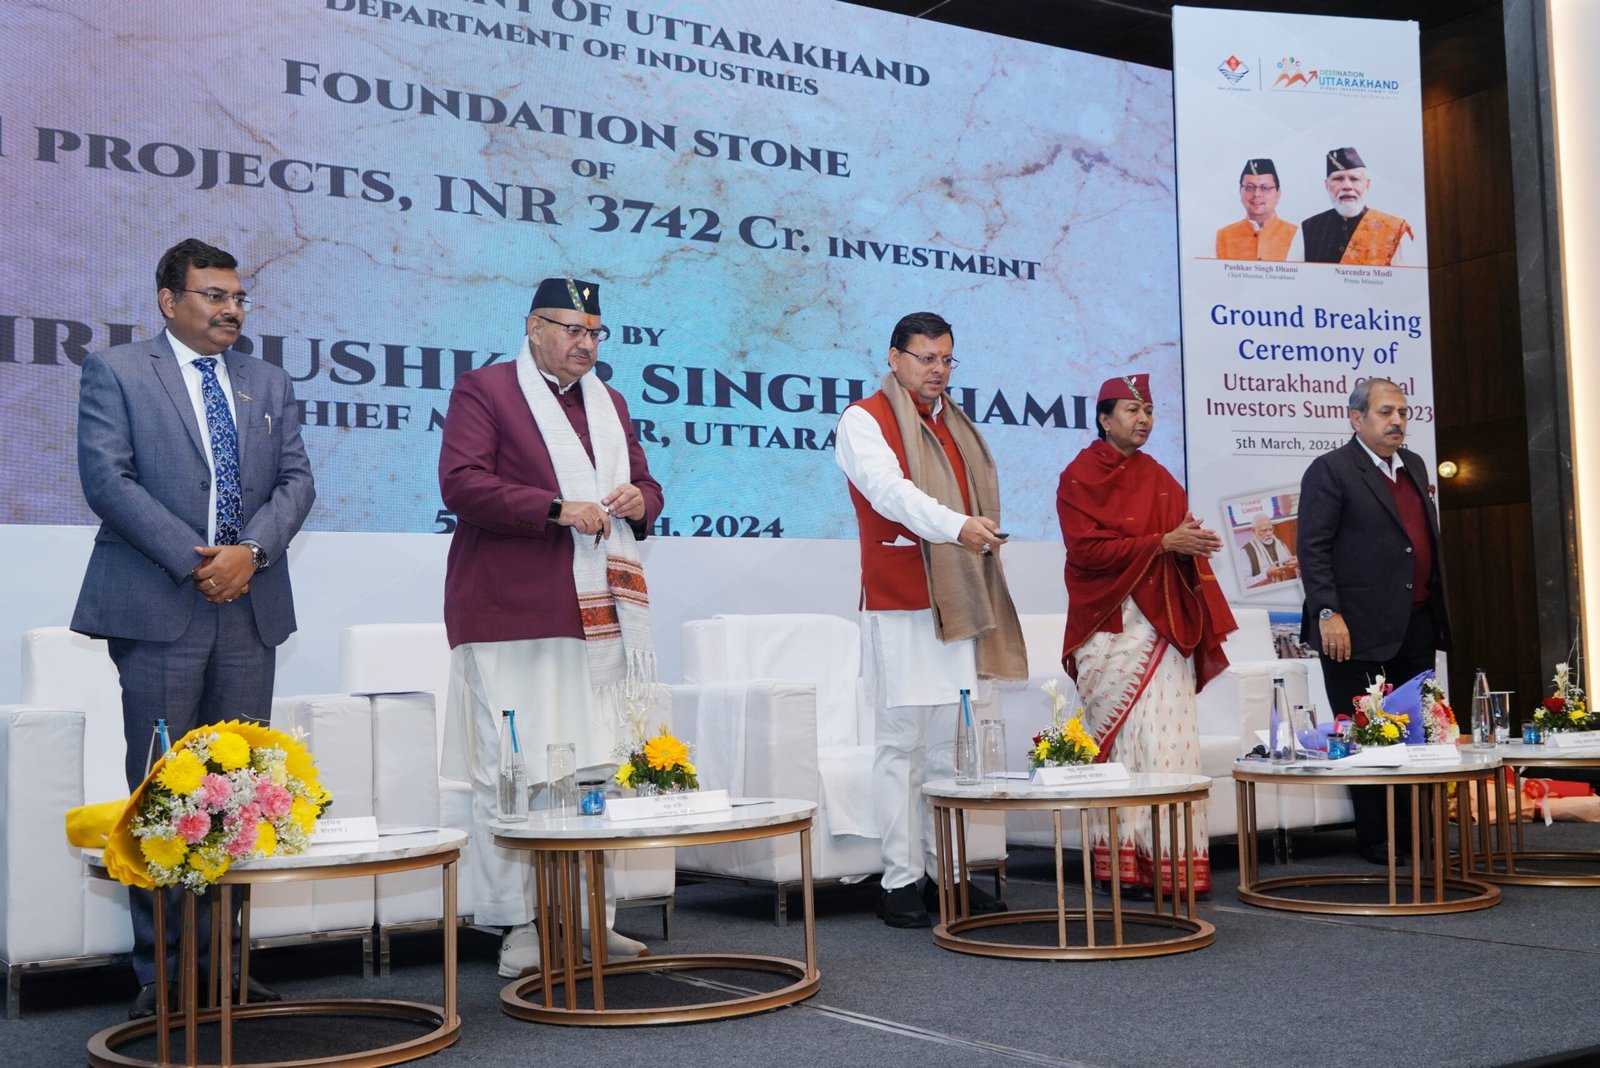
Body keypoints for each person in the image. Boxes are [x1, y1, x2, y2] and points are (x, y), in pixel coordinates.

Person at [71, 238, 315, 1019]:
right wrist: (197, 560)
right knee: (162, 792)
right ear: (169, 300)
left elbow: (297, 480)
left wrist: (250, 553)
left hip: (250, 607)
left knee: (237, 795)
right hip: (159, 606)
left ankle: (226, 969)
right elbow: (108, 480)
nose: (230, 309)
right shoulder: (117, 371)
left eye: (238, 298)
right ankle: (164, 975)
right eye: (214, 295)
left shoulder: (267, 380)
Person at [438, 276, 663, 977]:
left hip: (598, 620)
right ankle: (519, 924)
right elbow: (461, 483)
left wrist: (639, 499)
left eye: (594, 332)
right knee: (517, 774)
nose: (585, 343)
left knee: (596, 767)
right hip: (511, 611)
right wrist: (555, 508)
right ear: (533, 328)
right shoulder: (486, 390)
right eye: (571, 329)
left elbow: (649, 486)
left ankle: (592, 917)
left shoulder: (610, 403)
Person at [834, 311, 1028, 928]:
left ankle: (949, 873)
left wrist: (968, 527)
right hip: (899, 602)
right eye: (925, 358)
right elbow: (890, 493)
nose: (937, 370)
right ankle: (899, 880)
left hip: (959, 599)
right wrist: (957, 526)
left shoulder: (955, 426)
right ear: (894, 358)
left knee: (951, 749)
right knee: (900, 746)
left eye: (946, 359)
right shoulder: (864, 419)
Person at [1057, 375, 1236, 898]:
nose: (1143, 419)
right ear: (1104, 418)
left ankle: (1172, 865)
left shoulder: (1160, 477)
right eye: (1132, 410)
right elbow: (1085, 551)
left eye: (1150, 411)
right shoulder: (1079, 476)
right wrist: (1162, 542)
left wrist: (1189, 543)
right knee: (1119, 746)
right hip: (1109, 627)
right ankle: (1120, 867)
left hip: (1164, 628)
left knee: (1167, 742)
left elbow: (1176, 537)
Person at [1296, 377, 1449, 862]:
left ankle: (1416, 833)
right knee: (1366, 731)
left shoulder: (1414, 465)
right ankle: (1378, 837)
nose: (1397, 421)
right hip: (1351, 629)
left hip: (1415, 621)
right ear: (1356, 418)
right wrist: (1327, 612)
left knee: (1415, 731)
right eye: (1386, 412)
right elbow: (1313, 549)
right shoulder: (1331, 470)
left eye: (1403, 412)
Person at [1300, 147, 1416, 266]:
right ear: (1326, 185)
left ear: (1367, 184)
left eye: (1354, 179)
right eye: (1338, 179)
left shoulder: (1394, 230)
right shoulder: (1308, 229)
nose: (1347, 186)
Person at [1215, 158, 1301, 261]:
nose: (1256, 194)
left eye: (1264, 188)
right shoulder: (1222, 237)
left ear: (1278, 194)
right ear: (1240, 191)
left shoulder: (1297, 235)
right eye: (1249, 187)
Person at [1239, 513, 1298, 586]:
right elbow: (1245, 583)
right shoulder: (1246, 551)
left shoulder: (1280, 543)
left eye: (1270, 529)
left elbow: (1293, 570)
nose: (1269, 533)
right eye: (1264, 530)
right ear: (1253, 530)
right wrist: (1266, 574)